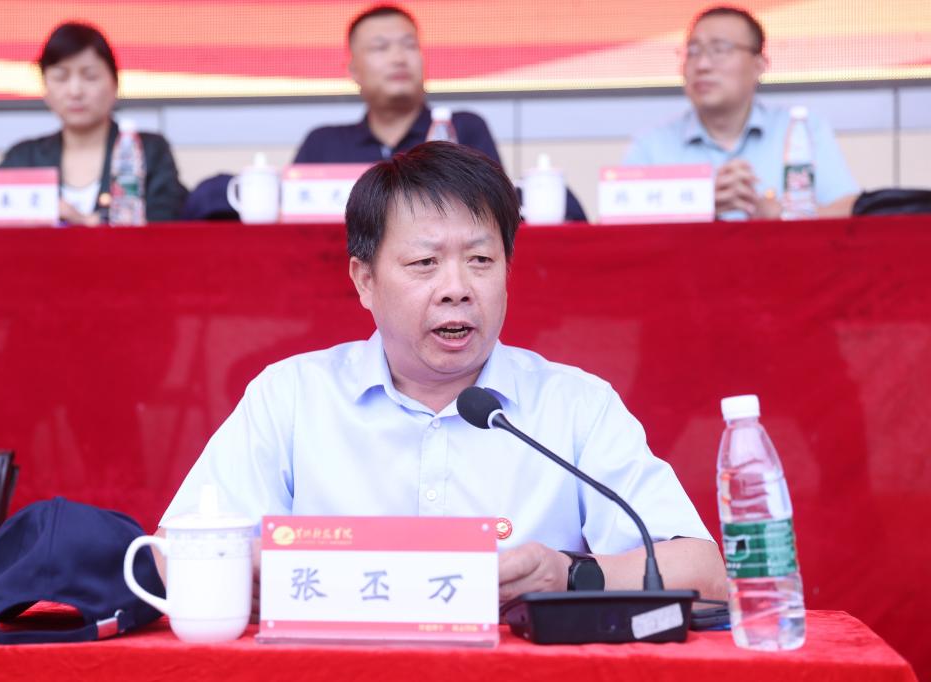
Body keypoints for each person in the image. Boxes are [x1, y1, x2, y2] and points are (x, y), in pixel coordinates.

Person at [161, 142, 725, 603]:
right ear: (364, 280)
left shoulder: (575, 404)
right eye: (425, 263)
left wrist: (573, 574)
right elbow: (169, 555)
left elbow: (703, 572)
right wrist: (244, 570)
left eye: (481, 260)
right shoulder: (291, 396)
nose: (457, 288)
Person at [292, 4, 588, 222]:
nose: (399, 58)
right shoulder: (322, 144)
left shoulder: (463, 130)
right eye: (380, 48)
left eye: (409, 45)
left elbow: (496, 218)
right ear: (354, 70)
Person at [623, 6, 859, 220]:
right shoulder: (652, 145)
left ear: (759, 65)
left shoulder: (800, 129)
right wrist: (699, 205)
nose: (702, 64)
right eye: (693, 51)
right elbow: (619, 224)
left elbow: (850, 209)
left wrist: (783, 215)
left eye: (720, 49)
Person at [0, 22, 186, 225]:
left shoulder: (148, 151)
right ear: (45, 86)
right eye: (61, 77)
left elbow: (165, 224)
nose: (75, 91)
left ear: (114, 83)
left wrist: (89, 222)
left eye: (90, 77)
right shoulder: (24, 158)